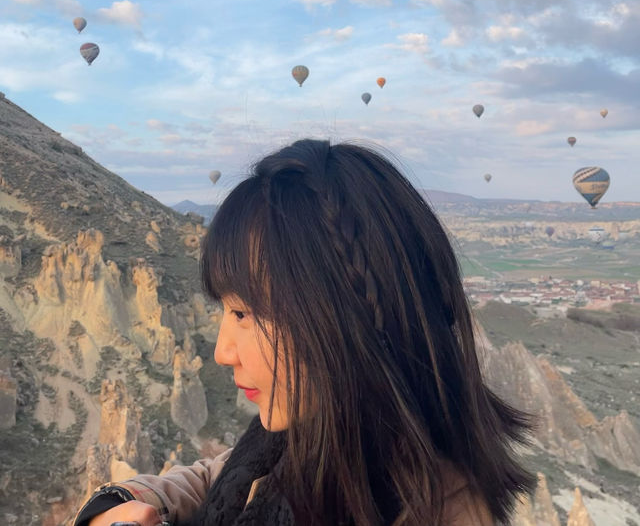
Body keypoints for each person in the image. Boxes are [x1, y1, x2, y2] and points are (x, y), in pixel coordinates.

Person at [74, 139, 534, 526]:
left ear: (341, 320)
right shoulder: (305, 439)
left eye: (245, 314)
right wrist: (114, 506)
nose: (222, 351)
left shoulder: (436, 510)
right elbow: (217, 476)